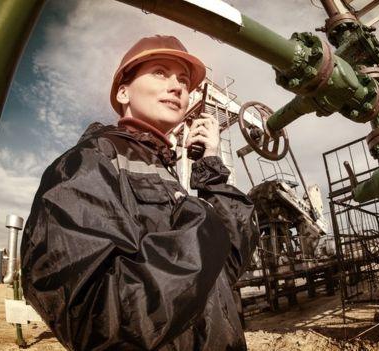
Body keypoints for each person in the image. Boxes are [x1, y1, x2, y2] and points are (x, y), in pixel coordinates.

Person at [21, 35, 259, 350]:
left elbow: (226, 266)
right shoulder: (90, 162)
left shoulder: (168, 172)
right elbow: (96, 317)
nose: (178, 87)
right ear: (123, 92)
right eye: (160, 72)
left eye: (184, 81)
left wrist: (211, 169)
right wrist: (203, 230)